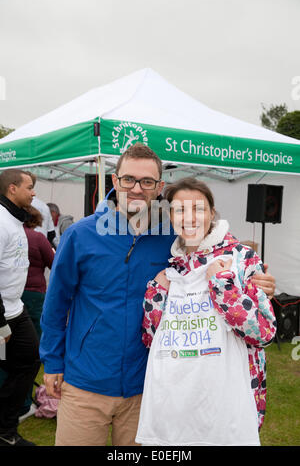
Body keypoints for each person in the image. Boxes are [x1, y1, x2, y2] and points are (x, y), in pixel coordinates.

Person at [39, 143, 276, 446]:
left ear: (159, 187)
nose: (137, 188)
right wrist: (53, 362)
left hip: (146, 384)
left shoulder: (172, 236)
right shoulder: (81, 235)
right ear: (115, 181)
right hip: (86, 381)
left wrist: (253, 278)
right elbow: (56, 302)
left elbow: (212, 247)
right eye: (129, 179)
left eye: (147, 182)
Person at [136, 178, 277, 446]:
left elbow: (264, 333)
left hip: (229, 400)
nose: (189, 217)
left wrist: (223, 286)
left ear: (212, 213)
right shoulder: (173, 267)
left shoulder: (241, 258)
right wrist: (156, 293)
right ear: (170, 216)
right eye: (180, 210)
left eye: (198, 209)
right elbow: (153, 339)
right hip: (181, 401)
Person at [0, 169, 40, 446]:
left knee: (30, 359)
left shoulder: (15, 220)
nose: (34, 192)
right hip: (1, 315)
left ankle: (6, 430)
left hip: (16, 308)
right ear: (12, 189)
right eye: (30, 187)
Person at [22, 206, 54, 339]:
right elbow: (54, 263)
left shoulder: (10, 233)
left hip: (11, 291)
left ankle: (4, 356)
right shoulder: (38, 238)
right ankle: (36, 358)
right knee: (35, 329)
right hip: (34, 292)